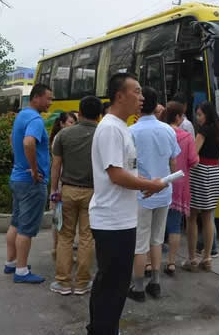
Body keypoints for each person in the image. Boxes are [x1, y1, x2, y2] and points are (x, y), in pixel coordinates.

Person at [87, 73, 167, 335]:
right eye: (137, 91)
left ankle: (105, 327)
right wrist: (149, 185)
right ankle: (101, 329)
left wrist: (143, 184)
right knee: (111, 283)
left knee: (117, 284)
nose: (142, 97)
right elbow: (116, 174)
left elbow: (126, 172)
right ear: (119, 95)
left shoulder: (121, 126)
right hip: (112, 220)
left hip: (123, 217)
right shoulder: (110, 127)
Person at [127, 87, 180, 302]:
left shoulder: (132, 131)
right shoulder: (168, 130)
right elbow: (173, 162)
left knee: (140, 242)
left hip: (142, 193)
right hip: (164, 191)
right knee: (157, 240)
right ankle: (155, 283)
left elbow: (128, 167)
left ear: (139, 104)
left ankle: (138, 287)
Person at [49, 96, 102, 296]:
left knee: (65, 237)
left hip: (68, 191)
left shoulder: (64, 135)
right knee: (87, 237)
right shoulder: (102, 135)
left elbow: (56, 165)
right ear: (99, 115)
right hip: (93, 192)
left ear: (78, 113)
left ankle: (62, 283)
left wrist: (54, 190)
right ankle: (82, 283)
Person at [5, 84, 53, 283]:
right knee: (26, 228)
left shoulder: (22, 115)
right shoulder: (35, 119)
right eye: (48, 99)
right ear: (37, 98)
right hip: (31, 182)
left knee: (16, 222)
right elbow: (28, 142)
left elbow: (12, 139)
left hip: (18, 179)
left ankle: (12, 262)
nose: (50, 103)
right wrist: (34, 169)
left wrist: (20, 162)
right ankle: (22, 271)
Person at [183, 101, 219, 273]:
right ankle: (207, 258)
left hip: (200, 172)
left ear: (207, 114)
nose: (198, 118)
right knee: (208, 217)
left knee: (192, 216)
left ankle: (192, 259)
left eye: (200, 114)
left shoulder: (203, 131)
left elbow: (193, 154)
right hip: (215, 172)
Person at [164, 101, 199, 276]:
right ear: (177, 117)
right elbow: (194, 160)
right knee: (175, 225)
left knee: (153, 225)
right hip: (178, 183)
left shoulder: (161, 132)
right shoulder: (186, 136)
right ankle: (171, 262)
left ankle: (148, 262)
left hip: (157, 182)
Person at [48, 111, 79, 259]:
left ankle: (58, 249)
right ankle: (57, 249)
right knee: (59, 218)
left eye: (75, 123)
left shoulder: (66, 138)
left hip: (65, 181)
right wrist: (54, 189)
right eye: (70, 122)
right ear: (61, 124)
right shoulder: (59, 139)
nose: (73, 126)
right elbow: (56, 165)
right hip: (61, 181)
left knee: (62, 218)